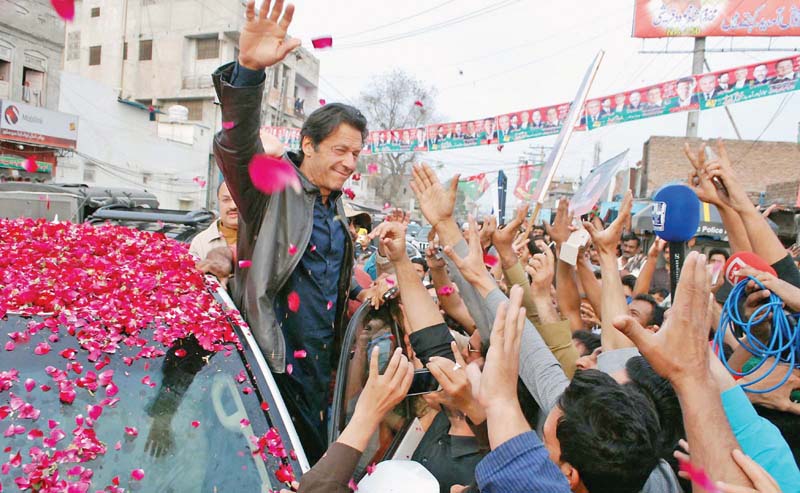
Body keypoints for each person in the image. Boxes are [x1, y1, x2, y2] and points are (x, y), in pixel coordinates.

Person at [208, 0, 384, 464]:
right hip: (271, 369)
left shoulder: (338, 212)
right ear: (307, 145)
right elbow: (234, 146)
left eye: (356, 154)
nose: (350, 163)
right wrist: (246, 72)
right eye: (340, 150)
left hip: (323, 378)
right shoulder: (272, 188)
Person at [189, 181, 238, 260]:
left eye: (238, 199)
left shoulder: (262, 239)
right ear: (218, 202)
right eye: (226, 200)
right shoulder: (200, 242)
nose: (233, 206)